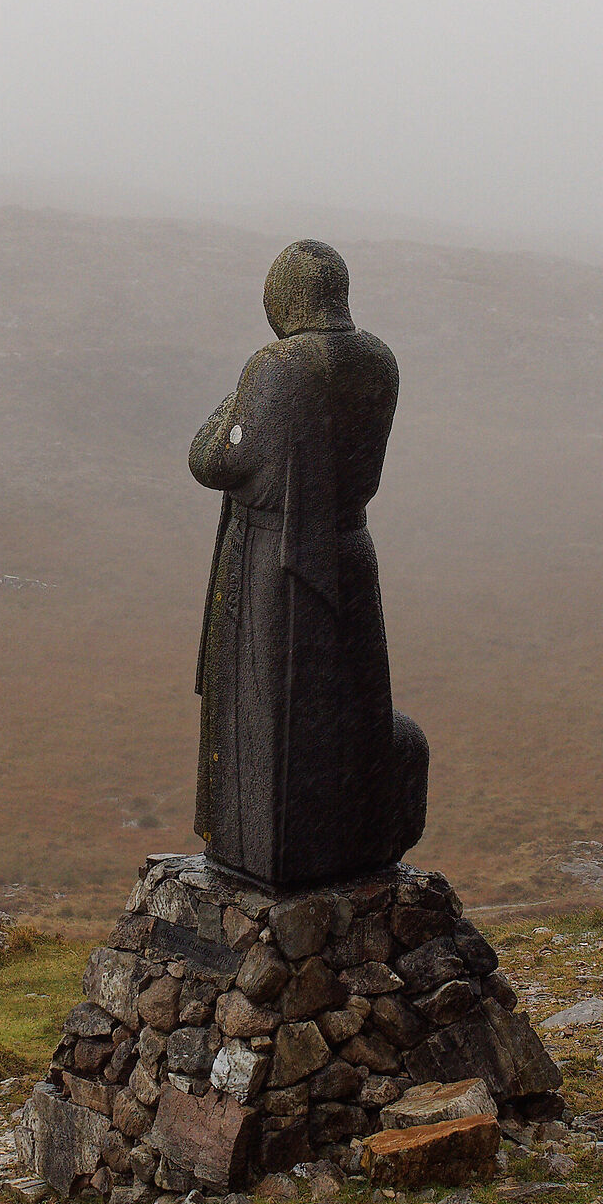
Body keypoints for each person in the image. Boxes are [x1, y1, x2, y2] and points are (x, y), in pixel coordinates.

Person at [187, 240, 428, 889]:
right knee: (348, 705)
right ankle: (346, 841)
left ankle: (267, 852)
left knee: (269, 713)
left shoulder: (277, 365)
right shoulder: (379, 360)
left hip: (278, 562)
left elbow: (214, 459)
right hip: (350, 552)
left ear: (283, 297)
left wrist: (233, 400)